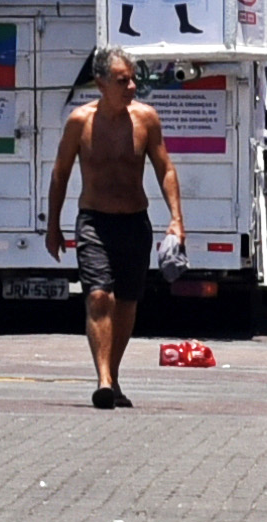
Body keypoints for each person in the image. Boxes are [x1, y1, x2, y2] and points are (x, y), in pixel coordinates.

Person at [40, 48, 190, 408]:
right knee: (97, 295)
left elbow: (165, 168)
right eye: (123, 80)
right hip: (94, 221)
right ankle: (103, 379)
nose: (132, 87)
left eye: (133, 79)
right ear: (101, 82)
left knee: (126, 303)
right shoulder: (80, 121)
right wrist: (53, 226)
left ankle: (114, 375)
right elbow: (60, 174)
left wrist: (176, 219)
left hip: (134, 222)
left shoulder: (145, 119)